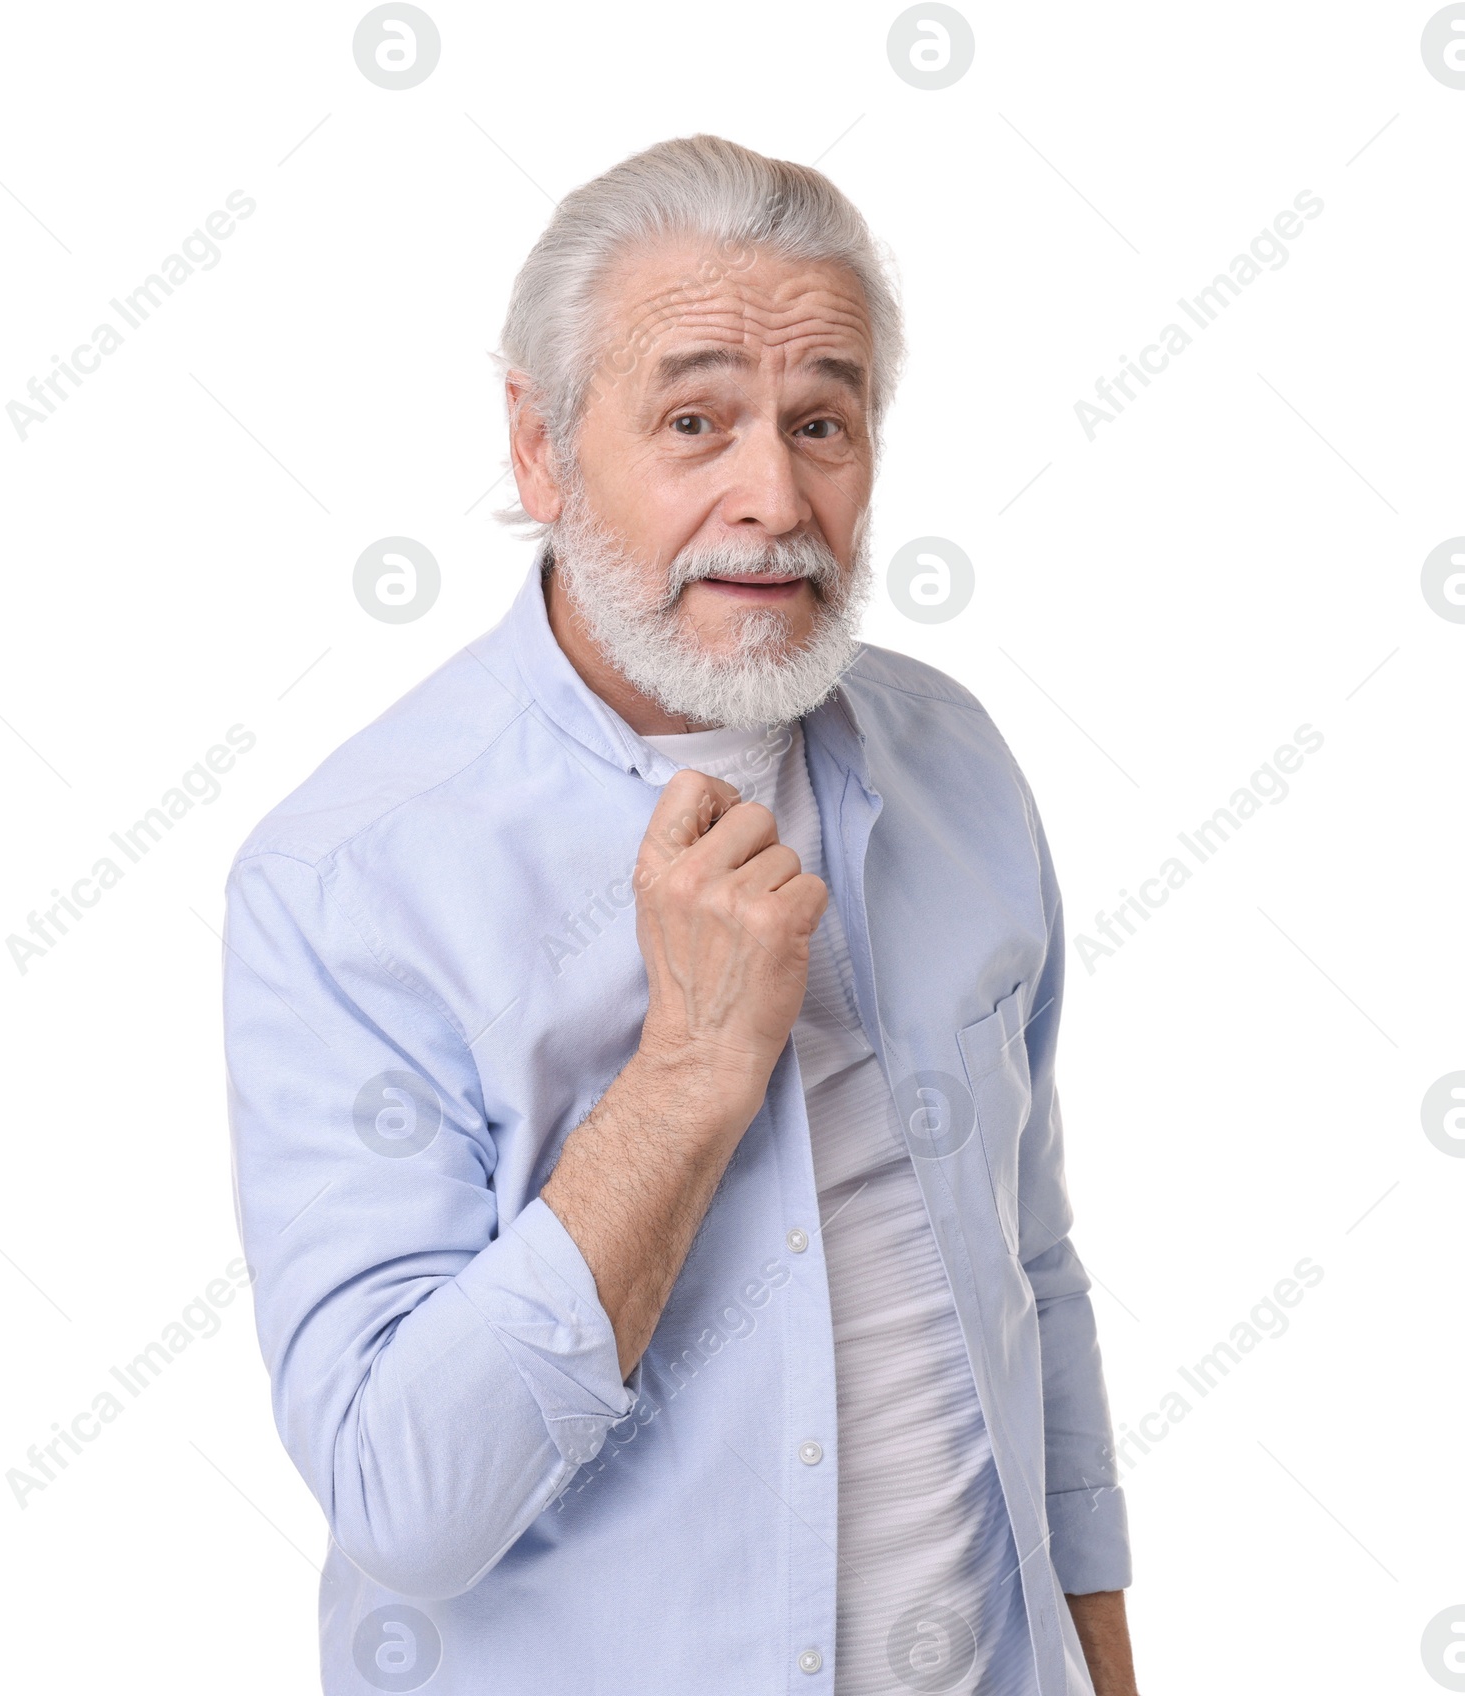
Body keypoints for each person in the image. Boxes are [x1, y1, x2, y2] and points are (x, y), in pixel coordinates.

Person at [223, 133, 1138, 1695]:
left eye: (823, 421)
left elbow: (1030, 1269)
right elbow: (405, 1503)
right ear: (539, 446)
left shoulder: (959, 765)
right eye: (695, 419)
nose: (771, 496)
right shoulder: (345, 880)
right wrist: (691, 1076)